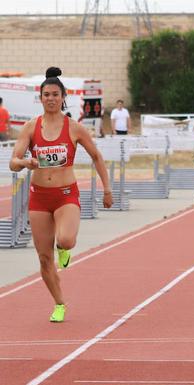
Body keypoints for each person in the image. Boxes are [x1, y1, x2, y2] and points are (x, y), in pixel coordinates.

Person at [9, 67, 113, 322]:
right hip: (39, 196)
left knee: (65, 239)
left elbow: (97, 157)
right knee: (44, 259)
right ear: (41, 97)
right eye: (47, 95)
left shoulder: (75, 128)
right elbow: (13, 161)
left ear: (63, 96)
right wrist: (26, 163)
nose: (51, 99)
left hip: (66, 195)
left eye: (56, 94)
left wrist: (107, 189)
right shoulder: (31, 128)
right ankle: (59, 303)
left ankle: (64, 249)